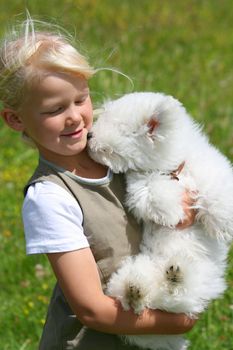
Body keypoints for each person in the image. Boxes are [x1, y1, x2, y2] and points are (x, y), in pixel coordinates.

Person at [0, 17, 197, 350]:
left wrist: (182, 208)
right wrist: (178, 321)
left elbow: (176, 171)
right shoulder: (49, 197)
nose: (75, 117)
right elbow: (91, 309)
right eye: (55, 109)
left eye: (80, 100)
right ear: (16, 119)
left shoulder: (113, 148)